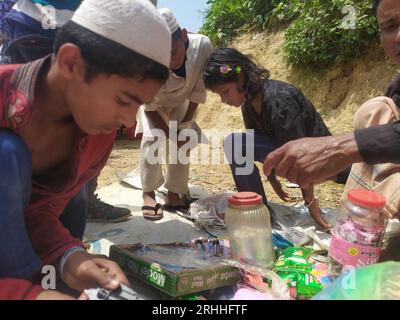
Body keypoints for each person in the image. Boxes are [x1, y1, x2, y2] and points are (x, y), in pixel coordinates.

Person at [0, 0, 171, 299]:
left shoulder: (96, 138)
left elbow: (38, 212)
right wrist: (25, 294)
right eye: (123, 99)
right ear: (70, 63)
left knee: (76, 202)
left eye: (138, 106)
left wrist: (71, 259)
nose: (129, 121)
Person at [1, 0, 132, 223]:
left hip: (63, 28)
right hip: (40, 27)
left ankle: (78, 204)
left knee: (72, 194)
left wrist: (69, 253)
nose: (128, 120)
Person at [203, 48, 349, 229]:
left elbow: (301, 154)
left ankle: (255, 211)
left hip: (325, 162)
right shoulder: (249, 105)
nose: (223, 100)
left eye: (225, 91)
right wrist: (273, 181)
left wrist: (310, 204)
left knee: (235, 143)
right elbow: (260, 144)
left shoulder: (279, 98)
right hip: (293, 160)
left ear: (240, 78)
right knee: (237, 145)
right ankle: (256, 213)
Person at [263, 0, 400, 189]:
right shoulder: (396, 90)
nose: (399, 36)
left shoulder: (278, 97)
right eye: (390, 26)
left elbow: (294, 139)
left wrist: (340, 149)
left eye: (225, 92)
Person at [136, 8, 213, 220]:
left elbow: (198, 92)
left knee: (183, 143)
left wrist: (185, 125)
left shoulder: (203, 46)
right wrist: (170, 135)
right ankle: (148, 193)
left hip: (182, 100)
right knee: (153, 139)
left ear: (184, 35)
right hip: (155, 102)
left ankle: (174, 193)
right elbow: (149, 107)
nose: (170, 61)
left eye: (174, 52)